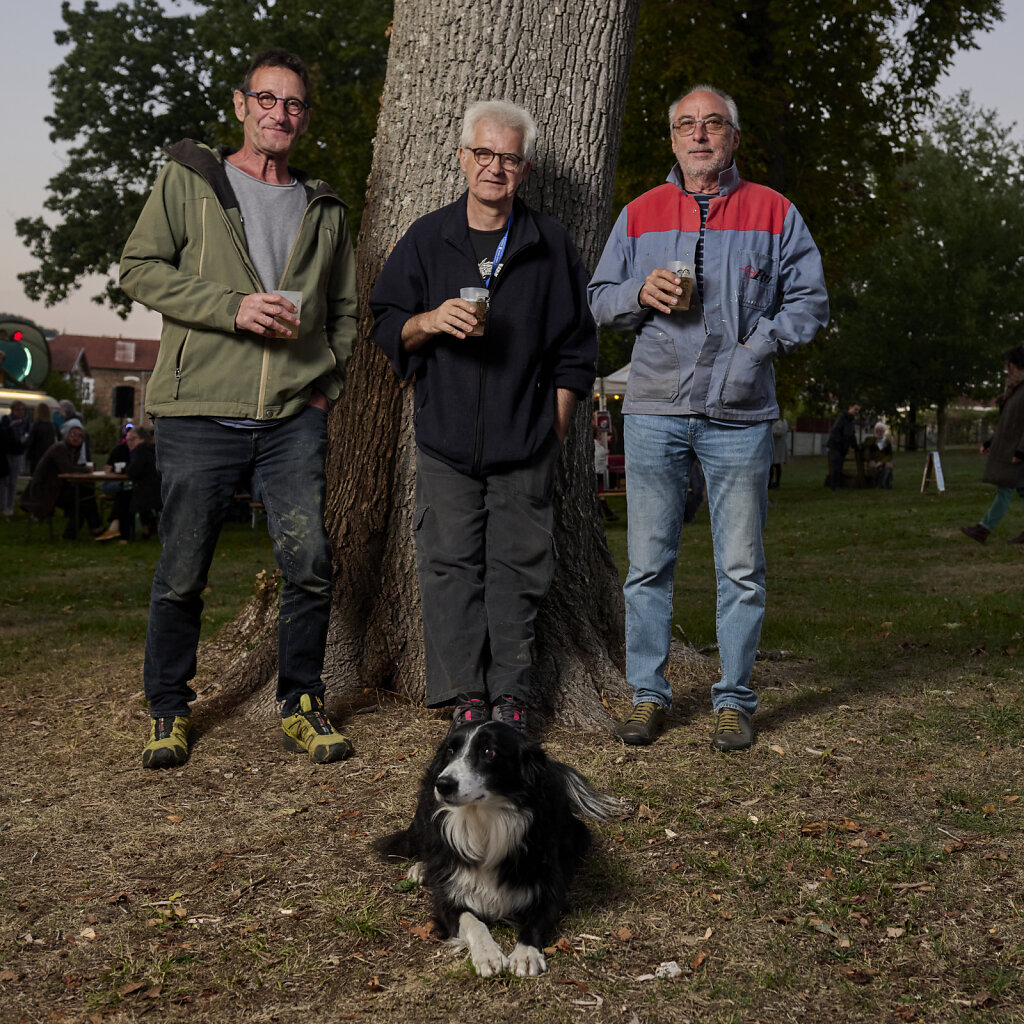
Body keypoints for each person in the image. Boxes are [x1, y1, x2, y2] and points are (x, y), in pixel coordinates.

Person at [119, 48, 358, 769]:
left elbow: (345, 312)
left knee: (311, 561)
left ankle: (301, 702)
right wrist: (232, 308)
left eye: (294, 104)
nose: (280, 113)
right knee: (183, 569)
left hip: (292, 417)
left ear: (303, 117)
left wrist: (327, 387)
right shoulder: (190, 181)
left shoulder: (322, 206)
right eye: (267, 99)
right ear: (240, 105)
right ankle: (168, 708)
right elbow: (138, 268)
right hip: (199, 412)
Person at [588, 84, 829, 750]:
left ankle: (734, 699)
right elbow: (597, 299)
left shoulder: (775, 213)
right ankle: (647, 695)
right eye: (687, 125)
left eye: (713, 124)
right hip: (653, 407)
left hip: (740, 413)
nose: (699, 135)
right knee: (646, 564)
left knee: (741, 568)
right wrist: (638, 291)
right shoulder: (639, 214)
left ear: (734, 137)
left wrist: (757, 347)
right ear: (673, 140)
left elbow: (812, 302)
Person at [370, 99, 597, 734]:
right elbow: (386, 321)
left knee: (518, 572)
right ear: (462, 157)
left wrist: (553, 424)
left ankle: (511, 697)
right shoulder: (427, 237)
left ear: (524, 170)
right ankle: (465, 695)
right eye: (484, 154)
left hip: (525, 442)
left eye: (510, 158)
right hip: (444, 442)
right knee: (447, 569)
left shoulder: (548, 243)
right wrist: (427, 322)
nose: (495, 168)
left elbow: (577, 348)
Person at [961, 344, 1024, 544]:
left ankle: (983, 529)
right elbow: (1007, 422)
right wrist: (990, 441)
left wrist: (1022, 452)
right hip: (1009, 451)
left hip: (1018, 453)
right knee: (1006, 490)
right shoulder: (1015, 390)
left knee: (1012, 490)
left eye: (1009, 365)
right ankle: (983, 529)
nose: (1007, 370)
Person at [20, 418, 103, 538]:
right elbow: (68, 470)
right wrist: (86, 470)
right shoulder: (59, 448)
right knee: (84, 497)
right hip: (44, 492)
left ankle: (77, 533)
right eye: (73, 434)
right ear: (67, 434)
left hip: (56, 489)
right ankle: (95, 530)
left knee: (85, 495)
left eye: (80, 436)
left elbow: (70, 469)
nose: (76, 438)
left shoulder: (72, 451)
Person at [0, 400, 30, 516]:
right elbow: (2, 433)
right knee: (4, 481)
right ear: (13, 410)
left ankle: (10, 507)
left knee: (13, 481)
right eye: (18, 410)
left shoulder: (25, 421)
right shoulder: (6, 420)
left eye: (22, 410)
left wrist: (24, 438)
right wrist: (10, 427)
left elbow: (28, 432)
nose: (21, 412)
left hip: (18, 452)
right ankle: (3, 505)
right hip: (7, 452)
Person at [826, 403, 860, 490]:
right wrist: (840, 443)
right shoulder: (842, 417)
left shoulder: (852, 421)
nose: (856, 412)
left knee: (840, 465)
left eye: (858, 410)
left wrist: (856, 447)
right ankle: (834, 485)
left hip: (843, 447)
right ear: (850, 407)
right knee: (836, 464)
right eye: (855, 409)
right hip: (836, 445)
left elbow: (852, 435)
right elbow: (836, 430)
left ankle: (837, 484)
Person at [26, 403, 58, 473]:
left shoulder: (36, 426)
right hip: (48, 455)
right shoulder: (52, 426)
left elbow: (30, 441)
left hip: (36, 456)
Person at [867, 421, 893, 489]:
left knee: (889, 466)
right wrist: (874, 440)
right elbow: (868, 452)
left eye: (881, 431)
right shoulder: (871, 440)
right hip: (873, 460)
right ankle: (875, 482)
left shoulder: (886, 442)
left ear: (883, 432)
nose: (879, 432)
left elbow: (889, 455)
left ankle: (884, 484)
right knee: (873, 466)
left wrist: (881, 462)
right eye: (877, 431)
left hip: (883, 460)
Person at [769, 416, 789, 489]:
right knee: (770, 466)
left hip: (778, 447)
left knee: (777, 465)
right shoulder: (771, 421)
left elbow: (780, 433)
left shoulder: (782, 422)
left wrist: (770, 432)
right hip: (772, 446)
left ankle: (777, 483)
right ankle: (769, 483)